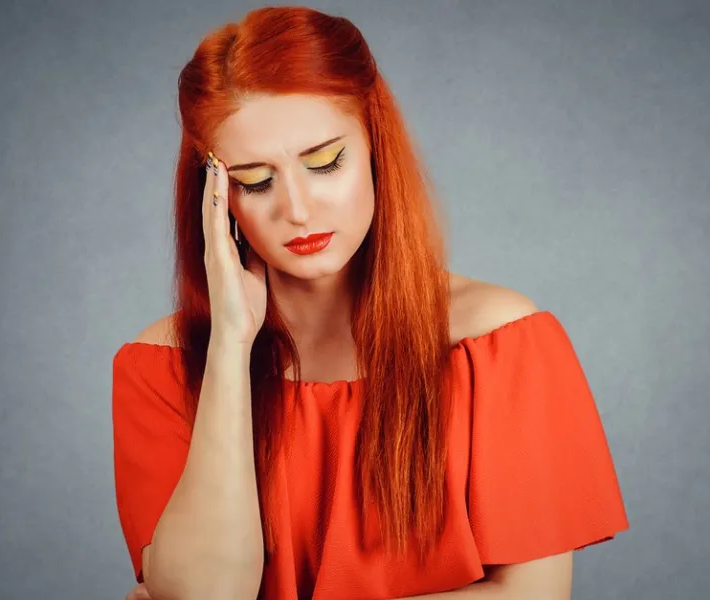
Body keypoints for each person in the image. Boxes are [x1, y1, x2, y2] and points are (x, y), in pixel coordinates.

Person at [112, 6, 629, 599]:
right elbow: (202, 597)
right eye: (255, 180)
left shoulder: (502, 344)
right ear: (215, 197)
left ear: (376, 147)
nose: (298, 209)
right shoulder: (160, 366)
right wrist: (231, 344)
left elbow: (532, 598)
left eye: (326, 162)